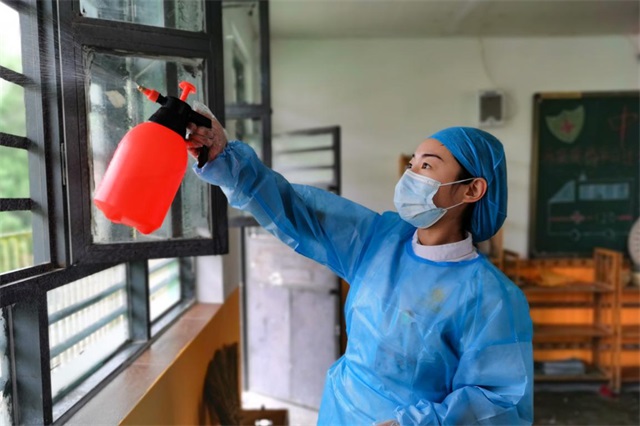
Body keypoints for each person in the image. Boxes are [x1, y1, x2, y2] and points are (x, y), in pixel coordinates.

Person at [186, 107, 533, 425]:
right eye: (411, 165)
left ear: (471, 190)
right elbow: (297, 210)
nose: (411, 175)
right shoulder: (379, 241)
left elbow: (501, 402)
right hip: (340, 413)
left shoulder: (492, 297)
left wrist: (414, 423)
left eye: (426, 167)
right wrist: (224, 158)